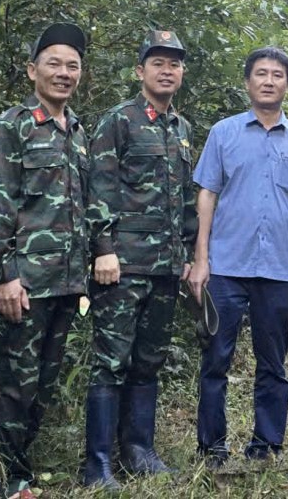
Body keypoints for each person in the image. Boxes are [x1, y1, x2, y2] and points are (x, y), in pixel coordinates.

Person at [188, 46, 288, 468]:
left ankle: (266, 445)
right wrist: (201, 258)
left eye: (277, 74)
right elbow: (206, 194)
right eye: (261, 73)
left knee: (273, 361)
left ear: (287, 84)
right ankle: (212, 447)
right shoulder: (223, 133)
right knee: (216, 360)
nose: (269, 81)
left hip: (279, 270)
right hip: (225, 266)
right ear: (247, 82)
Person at [0, 23, 90, 499]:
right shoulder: (13, 126)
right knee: (13, 385)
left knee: (43, 384)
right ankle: (5, 481)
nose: (63, 73)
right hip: (22, 283)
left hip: (64, 284)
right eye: (54, 63)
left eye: (72, 66)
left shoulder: (78, 132)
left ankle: (18, 471)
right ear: (32, 70)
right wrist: (6, 276)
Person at [81, 30, 197, 487]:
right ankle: (99, 462)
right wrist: (103, 249)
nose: (167, 70)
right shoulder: (120, 121)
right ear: (141, 71)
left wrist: (187, 255)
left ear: (181, 73)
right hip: (122, 267)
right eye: (158, 63)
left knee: (149, 360)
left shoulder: (181, 129)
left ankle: (139, 450)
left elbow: (185, 199)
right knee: (111, 361)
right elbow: (99, 189)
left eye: (174, 64)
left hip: (166, 268)